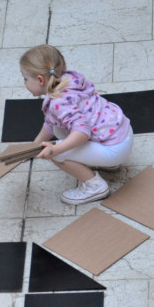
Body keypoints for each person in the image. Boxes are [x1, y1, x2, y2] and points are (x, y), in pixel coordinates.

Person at [20, 44, 134, 205]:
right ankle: (109, 164)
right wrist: (32, 148)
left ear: (40, 80)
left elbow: (82, 132)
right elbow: (50, 124)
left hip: (115, 148)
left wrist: (55, 150)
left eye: (25, 79)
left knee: (57, 153)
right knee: (59, 128)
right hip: (122, 132)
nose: (24, 83)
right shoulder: (69, 80)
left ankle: (95, 187)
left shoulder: (58, 103)